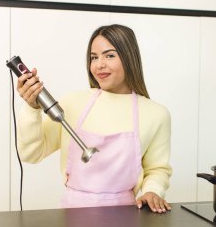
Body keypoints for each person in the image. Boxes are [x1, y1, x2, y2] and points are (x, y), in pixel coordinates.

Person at [16, 24, 172, 213]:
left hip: (125, 217)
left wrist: (153, 191)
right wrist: (33, 108)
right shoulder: (72, 103)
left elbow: (157, 169)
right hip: (72, 216)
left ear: (129, 58)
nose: (99, 65)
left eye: (110, 55)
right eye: (94, 57)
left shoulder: (156, 114)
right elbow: (31, 154)